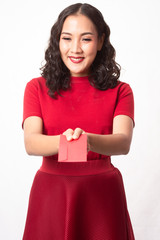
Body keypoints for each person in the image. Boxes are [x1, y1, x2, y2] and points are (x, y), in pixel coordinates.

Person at [22, 3, 135, 240]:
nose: (75, 49)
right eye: (66, 38)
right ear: (57, 41)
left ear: (101, 41)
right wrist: (70, 143)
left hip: (102, 194)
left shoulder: (121, 91)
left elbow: (123, 143)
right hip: (52, 193)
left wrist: (88, 141)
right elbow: (31, 143)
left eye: (86, 39)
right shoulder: (37, 88)